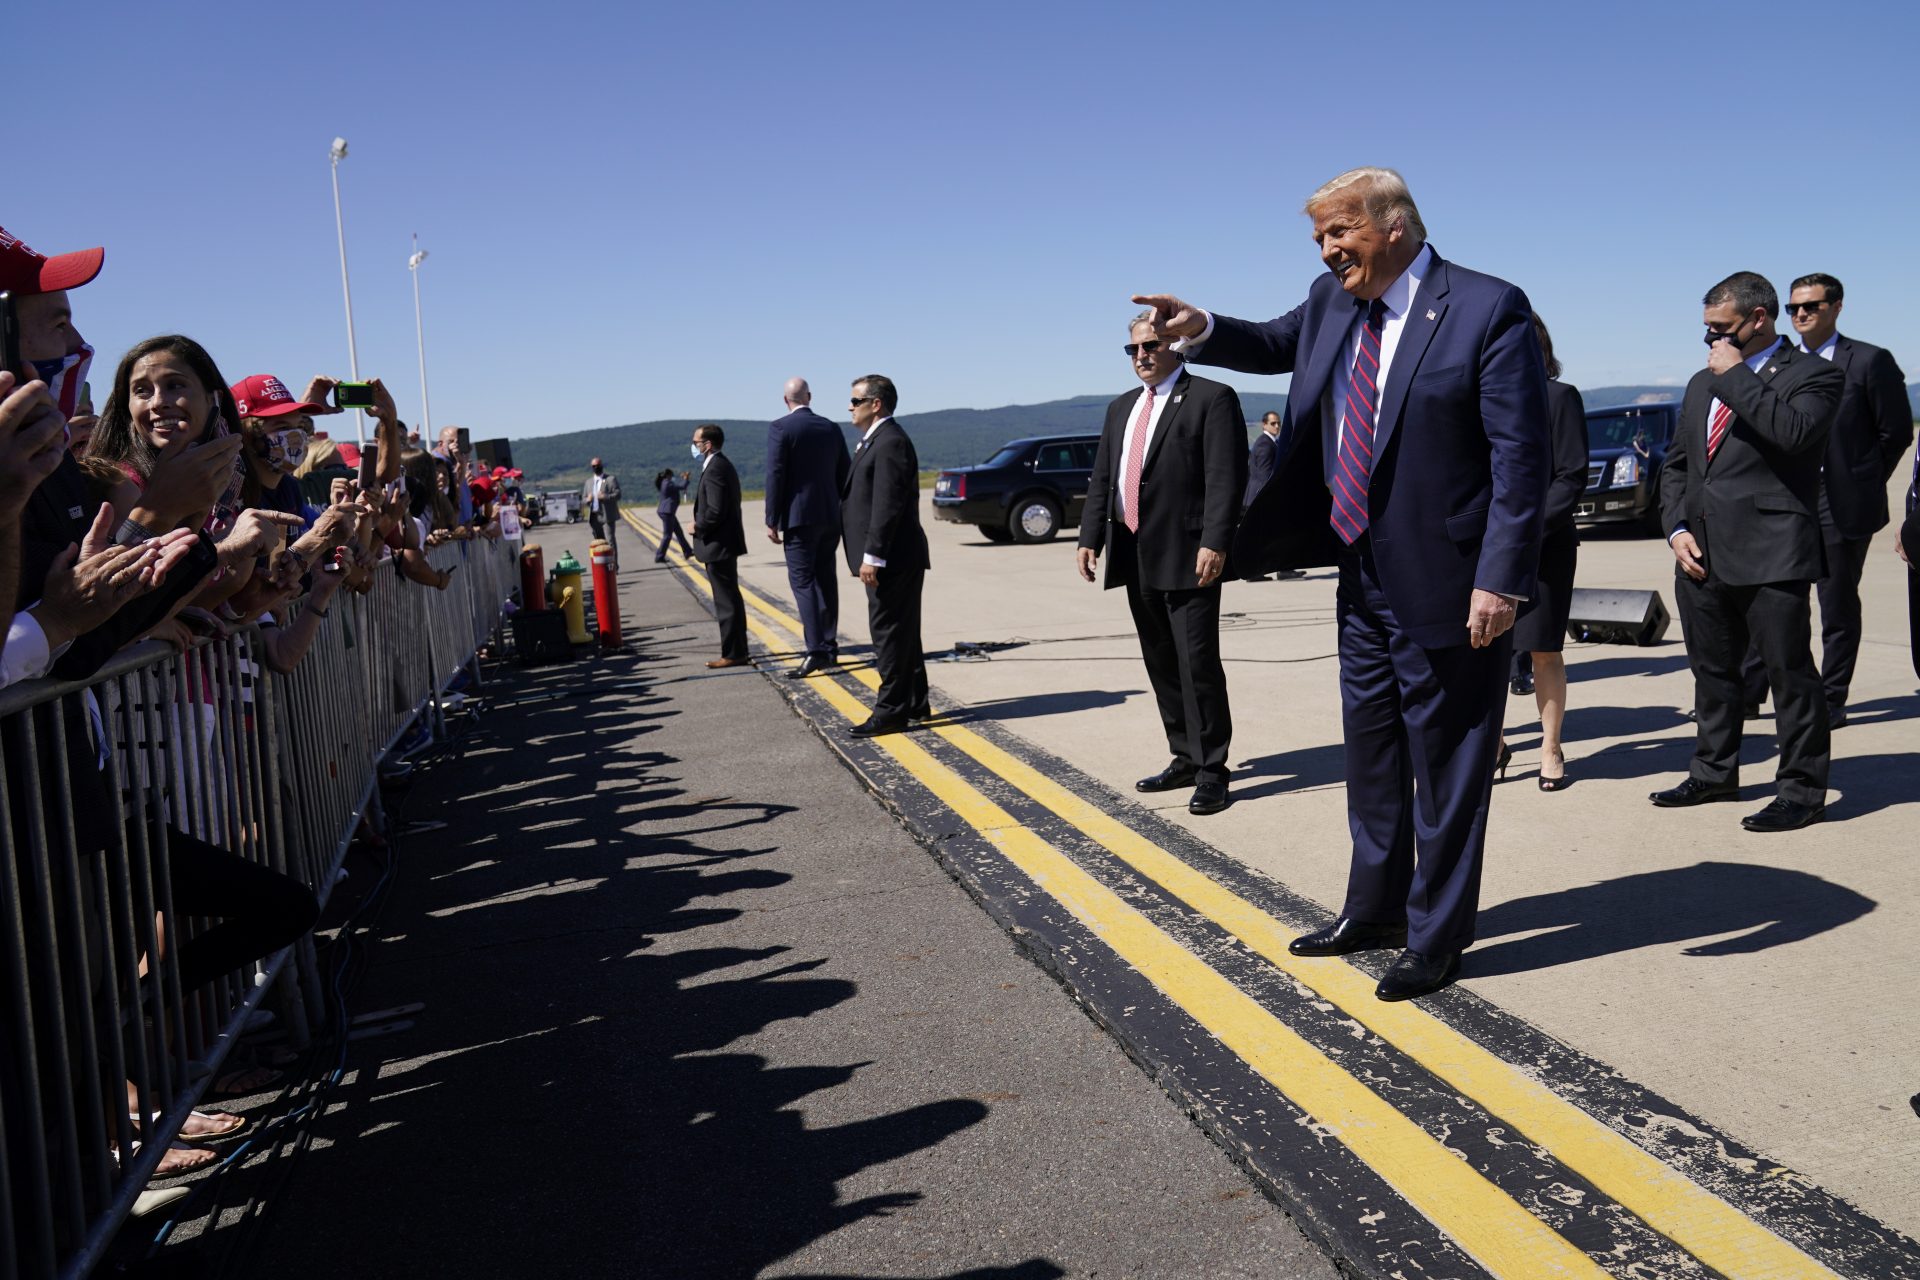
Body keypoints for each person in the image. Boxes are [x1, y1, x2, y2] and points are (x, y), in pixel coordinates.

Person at [1133, 166, 1550, 1001]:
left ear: (1394, 225)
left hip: (1452, 579)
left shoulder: (1486, 307)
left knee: (1449, 765)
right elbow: (1269, 343)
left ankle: (1437, 938)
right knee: (1372, 755)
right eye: (1320, 237)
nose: (1328, 251)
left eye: (1340, 232)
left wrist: (1500, 579)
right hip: (1358, 572)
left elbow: (1520, 459)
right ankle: (1376, 910)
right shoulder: (1331, 304)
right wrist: (1201, 325)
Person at [1649, 272, 1842, 833]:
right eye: (1705, 331)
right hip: (1700, 550)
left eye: (1720, 330)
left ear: (1759, 319)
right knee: (1711, 672)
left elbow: (1791, 433)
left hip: (1772, 550)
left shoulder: (1815, 375)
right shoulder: (1698, 382)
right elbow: (1679, 466)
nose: (1711, 342)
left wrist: (1735, 375)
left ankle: (1802, 790)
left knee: (1789, 674)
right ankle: (1714, 773)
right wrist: (1675, 526)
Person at [1076, 313, 1247, 816]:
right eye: (1133, 350)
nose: (1142, 356)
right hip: (1134, 554)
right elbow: (1103, 475)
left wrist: (1216, 542)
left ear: (1176, 344)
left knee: (1197, 665)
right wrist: (1091, 537)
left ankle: (1214, 770)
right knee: (1161, 663)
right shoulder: (1121, 408)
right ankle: (1185, 757)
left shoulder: (1211, 398)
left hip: (1190, 554)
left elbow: (1225, 479)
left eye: (1151, 345)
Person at [1738, 274, 1911, 728]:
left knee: (1835, 604)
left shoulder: (1870, 361)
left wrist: (1864, 481)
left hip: (1840, 500)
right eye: (1794, 308)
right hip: (1785, 498)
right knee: (1771, 598)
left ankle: (1831, 700)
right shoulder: (1778, 363)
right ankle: (1750, 692)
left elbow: (1893, 434)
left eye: (1810, 307)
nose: (1799, 315)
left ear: (1836, 307)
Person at [1499, 315, 1586, 791]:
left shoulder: (1559, 398)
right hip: (1486, 548)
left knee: (1543, 652)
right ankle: (1493, 746)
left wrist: (1525, 530)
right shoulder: (1482, 403)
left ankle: (1550, 748)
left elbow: (1571, 476)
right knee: (1482, 651)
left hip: (1543, 547)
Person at [841, 374, 930, 737]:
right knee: (903, 631)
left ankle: (891, 710)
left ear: (876, 404)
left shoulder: (889, 441)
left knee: (889, 633)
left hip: (891, 558)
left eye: (855, 401)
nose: (850, 407)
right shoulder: (874, 440)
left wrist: (872, 556)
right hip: (893, 556)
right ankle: (915, 702)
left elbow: (887, 504)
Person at [765, 377, 851, 678]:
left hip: (798, 519)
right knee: (827, 580)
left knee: (803, 584)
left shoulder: (780, 428)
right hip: (830, 516)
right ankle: (829, 646)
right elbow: (845, 473)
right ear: (810, 397)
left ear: (785, 400)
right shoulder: (831, 427)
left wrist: (771, 519)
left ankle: (815, 651)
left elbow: (775, 475)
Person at [690, 424, 749, 668]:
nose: (694, 446)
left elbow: (715, 509)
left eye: (696, 442)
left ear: (708, 445)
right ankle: (737, 650)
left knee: (726, 602)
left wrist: (698, 526)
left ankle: (733, 653)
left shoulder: (715, 468)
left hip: (719, 545)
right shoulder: (719, 465)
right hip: (723, 544)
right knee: (730, 599)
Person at [1241, 411, 1302, 582]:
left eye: (1278, 423)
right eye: (1273, 423)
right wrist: (1272, 496)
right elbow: (1264, 474)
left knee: (1269, 535)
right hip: (1261, 496)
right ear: (1264, 424)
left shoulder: (1267, 442)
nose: (1277, 426)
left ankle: (1277, 569)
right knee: (1276, 534)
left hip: (1258, 496)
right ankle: (1279, 569)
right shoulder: (1265, 444)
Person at [583, 456, 621, 565]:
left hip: (607, 515)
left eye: (597, 466)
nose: (596, 468)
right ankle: (603, 564)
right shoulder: (588, 482)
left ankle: (613, 565)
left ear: (602, 466)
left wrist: (605, 496)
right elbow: (583, 499)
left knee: (610, 541)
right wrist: (587, 499)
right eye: (594, 466)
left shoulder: (610, 479)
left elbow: (618, 495)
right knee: (599, 543)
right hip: (594, 516)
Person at [653, 467, 693, 560]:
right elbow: (681, 487)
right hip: (667, 512)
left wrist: (684, 479)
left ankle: (688, 551)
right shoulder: (667, 483)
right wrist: (686, 479)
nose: (672, 477)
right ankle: (659, 556)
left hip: (668, 512)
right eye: (671, 475)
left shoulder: (665, 483)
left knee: (679, 532)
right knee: (667, 536)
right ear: (667, 475)